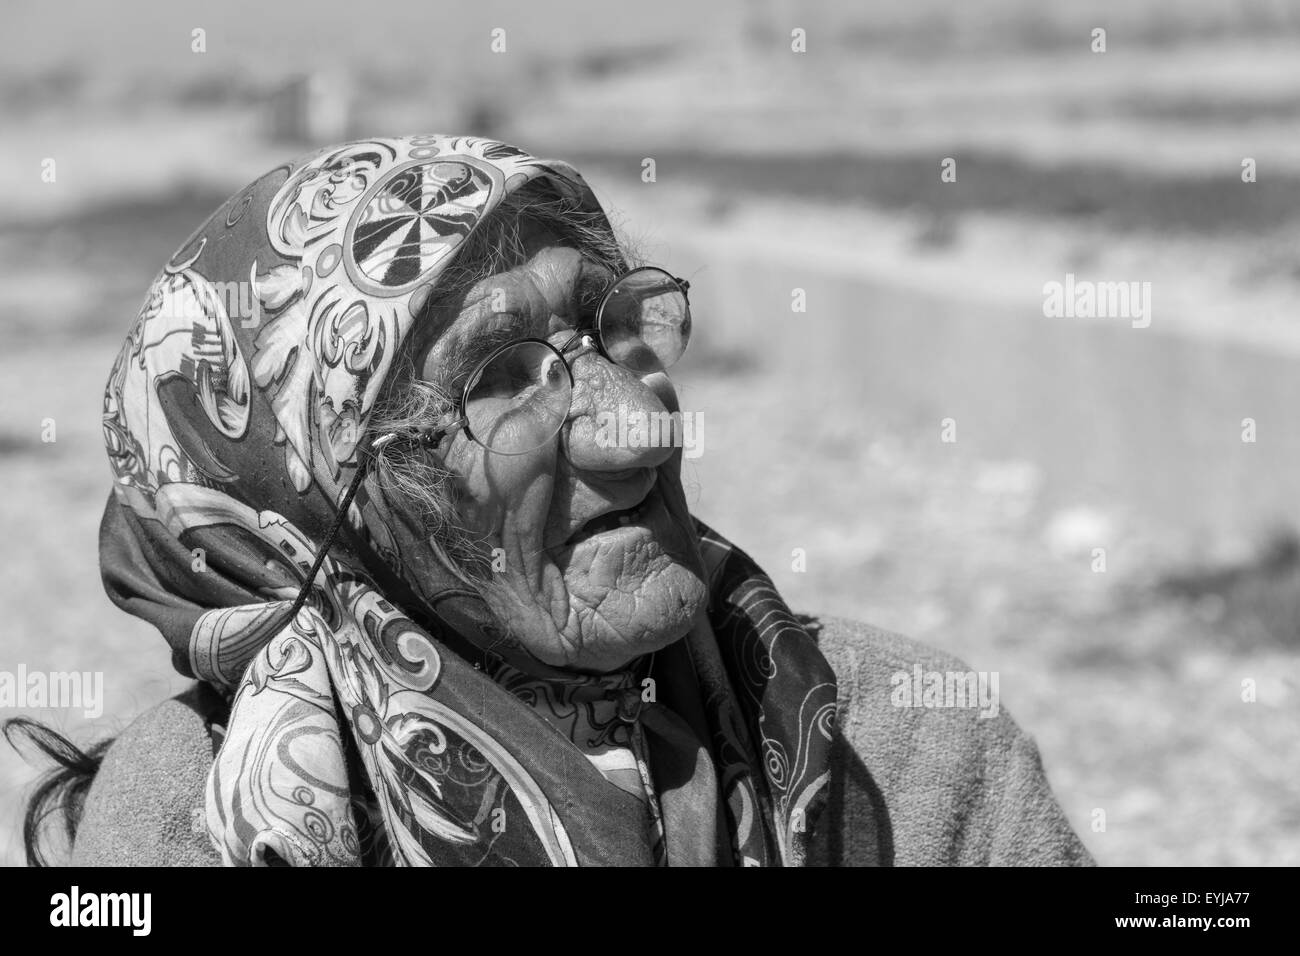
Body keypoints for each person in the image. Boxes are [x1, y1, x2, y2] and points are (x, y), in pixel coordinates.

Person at [8, 134, 1093, 866]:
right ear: (299, 500)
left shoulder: (902, 743)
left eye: (617, 321)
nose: (643, 424)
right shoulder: (188, 815)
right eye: (496, 375)